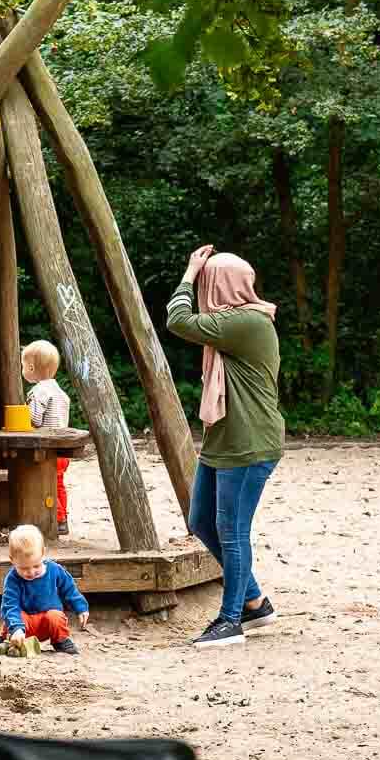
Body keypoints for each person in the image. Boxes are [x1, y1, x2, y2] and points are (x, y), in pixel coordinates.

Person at [167, 245, 284, 651]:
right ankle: (254, 602)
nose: (201, 289)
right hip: (224, 438)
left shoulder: (247, 321)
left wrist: (187, 273)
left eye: (204, 284)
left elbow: (178, 319)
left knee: (232, 532)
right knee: (201, 521)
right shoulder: (232, 324)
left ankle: (230, 620)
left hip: (250, 442)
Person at [0, 523, 88, 655]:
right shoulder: (12, 578)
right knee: (13, 618)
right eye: (24, 568)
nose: (30, 572)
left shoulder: (55, 570)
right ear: (12, 560)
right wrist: (17, 628)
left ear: (43, 553)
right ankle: (7, 638)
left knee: (55, 616)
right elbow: (9, 605)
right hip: (24, 626)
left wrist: (80, 607)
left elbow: (70, 590)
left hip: (47, 621)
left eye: (36, 566)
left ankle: (60, 640)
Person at [22, 339, 72, 536]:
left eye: (23, 366)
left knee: (46, 484)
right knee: (58, 483)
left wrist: (22, 415)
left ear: (31, 367)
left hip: (47, 449)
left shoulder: (39, 391)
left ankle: (57, 519)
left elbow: (34, 419)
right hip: (62, 449)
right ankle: (63, 518)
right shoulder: (59, 392)